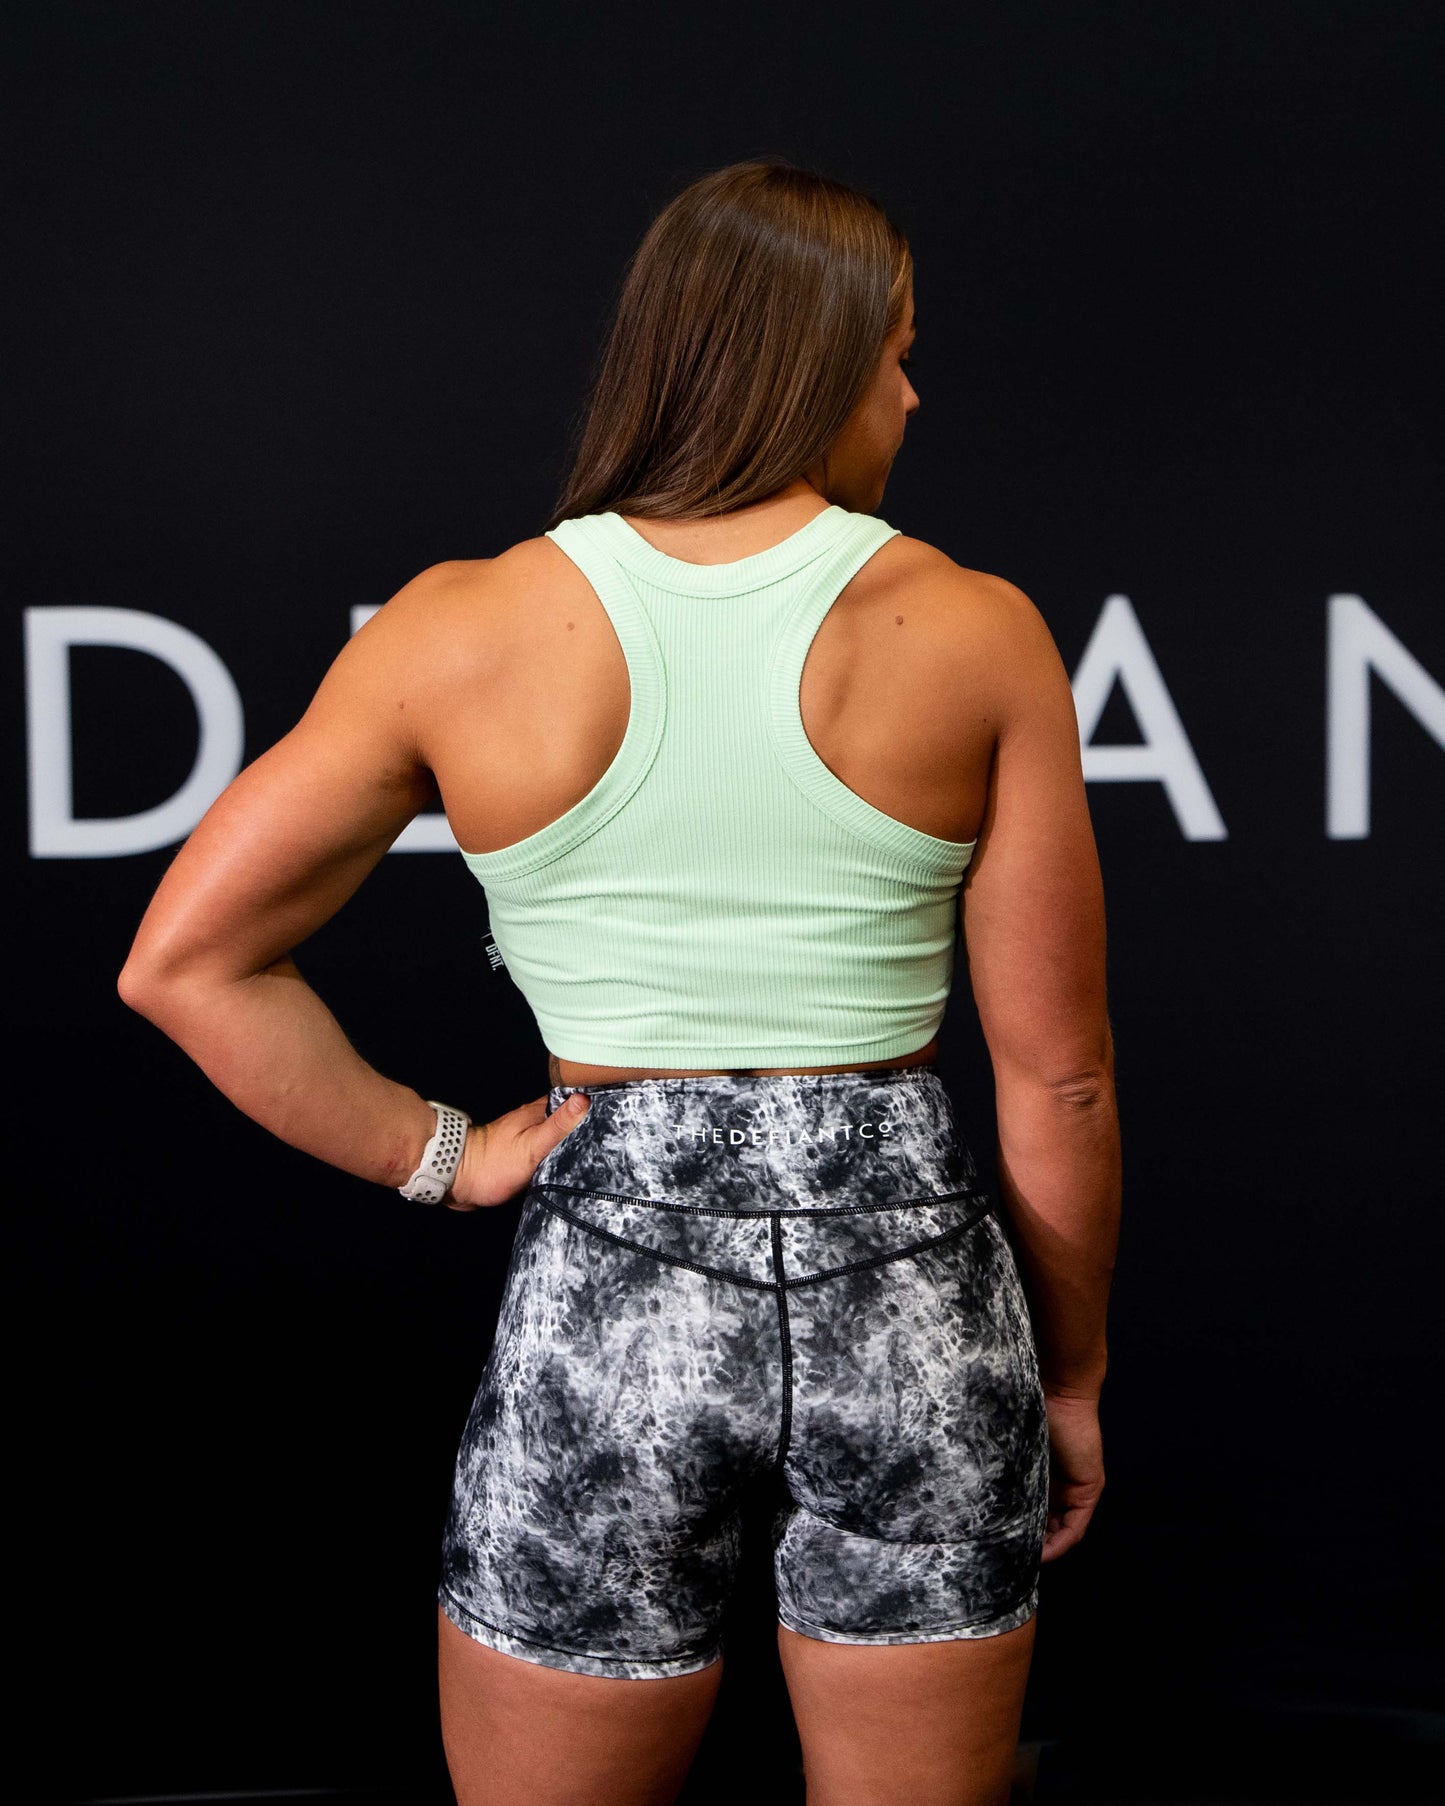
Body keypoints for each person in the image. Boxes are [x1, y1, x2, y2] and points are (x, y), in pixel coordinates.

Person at [119, 158, 1120, 1806]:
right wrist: (1069, 1380)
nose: (913, 390)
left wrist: (441, 1153)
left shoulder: (466, 625)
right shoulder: (974, 627)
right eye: (897, 349)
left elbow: (185, 962)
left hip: (609, 1280)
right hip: (918, 1301)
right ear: (814, 362)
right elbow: (1061, 1078)